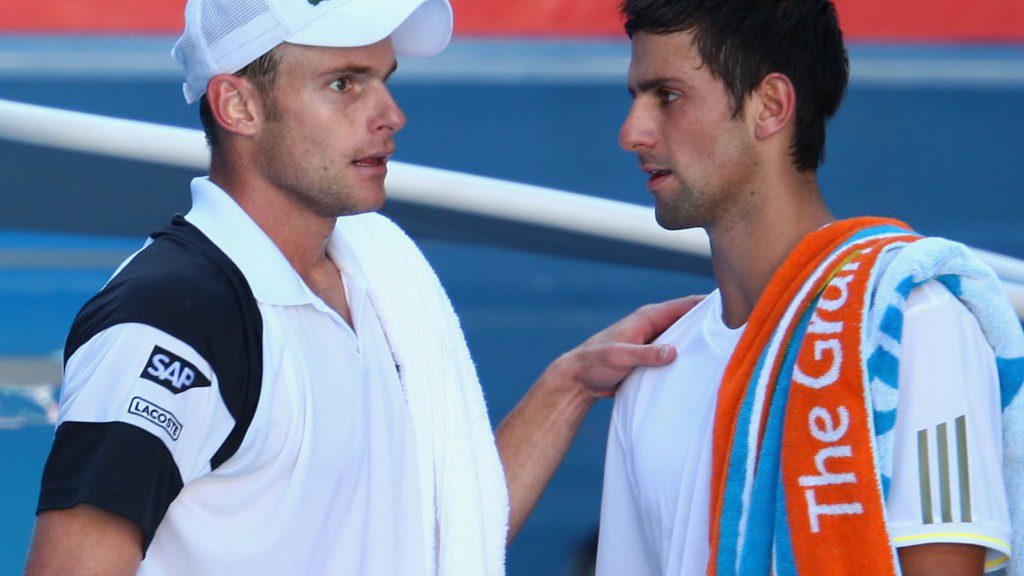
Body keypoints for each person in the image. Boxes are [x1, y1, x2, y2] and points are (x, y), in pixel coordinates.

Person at [23, 0, 699, 574]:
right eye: (345, 84)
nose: (391, 114)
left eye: (384, 78)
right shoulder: (169, 311)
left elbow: (449, 541)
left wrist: (570, 385)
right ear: (237, 104)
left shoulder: (375, 281)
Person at [597, 1, 1023, 575]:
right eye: (635, 98)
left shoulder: (911, 320)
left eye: (667, 96)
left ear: (770, 106)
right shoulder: (652, 372)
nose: (632, 133)